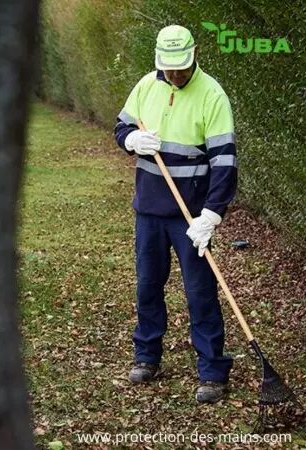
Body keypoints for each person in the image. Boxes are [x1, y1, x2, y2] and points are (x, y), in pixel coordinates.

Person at [114, 24, 237, 403]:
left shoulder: (212, 95)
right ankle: (147, 356)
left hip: (191, 217)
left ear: (194, 53)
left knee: (200, 292)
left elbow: (225, 162)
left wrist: (211, 215)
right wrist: (131, 140)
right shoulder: (146, 86)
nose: (175, 74)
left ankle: (212, 371)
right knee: (148, 286)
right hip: (149, 210)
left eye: (180, 68)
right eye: (168, 68)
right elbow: (121, 126)